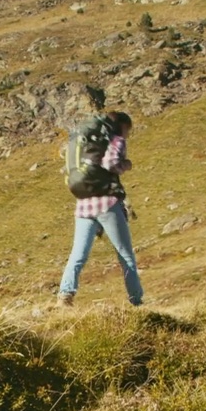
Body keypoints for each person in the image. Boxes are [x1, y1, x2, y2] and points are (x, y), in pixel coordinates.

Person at [57, 111, 143, 307]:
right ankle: (136, 300)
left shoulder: (86, 141)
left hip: (83, 204)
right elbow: (110, 163)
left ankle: (65, 295)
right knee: (125, 255)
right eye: (128, 130)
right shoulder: (115, 139)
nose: (127, 135)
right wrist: (125, 165)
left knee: (78, 254)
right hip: (106, 204)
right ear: (121, 125)